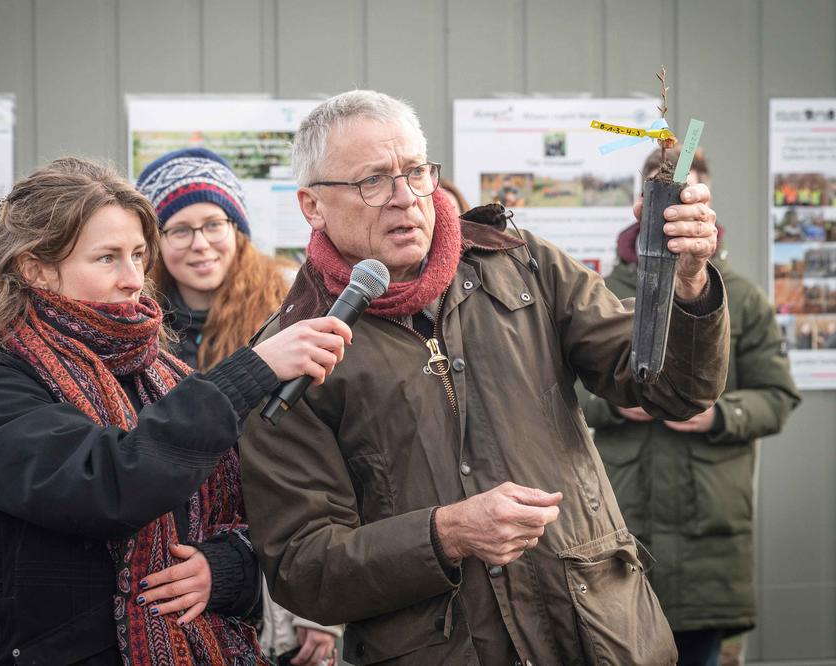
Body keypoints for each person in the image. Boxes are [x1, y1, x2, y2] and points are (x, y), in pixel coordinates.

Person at [238, 90, 729, 665]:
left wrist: (690, 283)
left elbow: (671, 389)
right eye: (373, 180)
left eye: (416, 172)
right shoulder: (292, 354)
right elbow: (304, 568)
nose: (406, 198)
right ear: (312, 206)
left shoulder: (521, 263)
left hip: (598, 635)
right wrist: (445, 534)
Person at [0, 157, 351, 665]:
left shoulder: (156, 368)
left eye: (139, 255)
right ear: (35, 269)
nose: (133, 279)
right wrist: (246, 374)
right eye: (107, 258)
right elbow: (106, 483)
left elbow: (254, 517)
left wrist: (226, 569)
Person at [580, 147, 801, 666]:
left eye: (690, 195)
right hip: (622, 527)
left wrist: (719, 412)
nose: (677, 210)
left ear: (705, 202)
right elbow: (560, 393)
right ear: (643, 203)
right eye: (666, 197)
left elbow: (778, 396)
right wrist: (613, 405)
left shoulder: (740, 297)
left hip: (709, 532)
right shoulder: (600, 294)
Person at [137, 147, 343, 666]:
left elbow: (330, 452)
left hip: (277, 557)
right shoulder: (137, 329)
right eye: (178, 229)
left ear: (238, 227)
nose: (200, 244)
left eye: (214, 223)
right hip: (175, 559)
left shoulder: (287, 310)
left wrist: (321, 614)